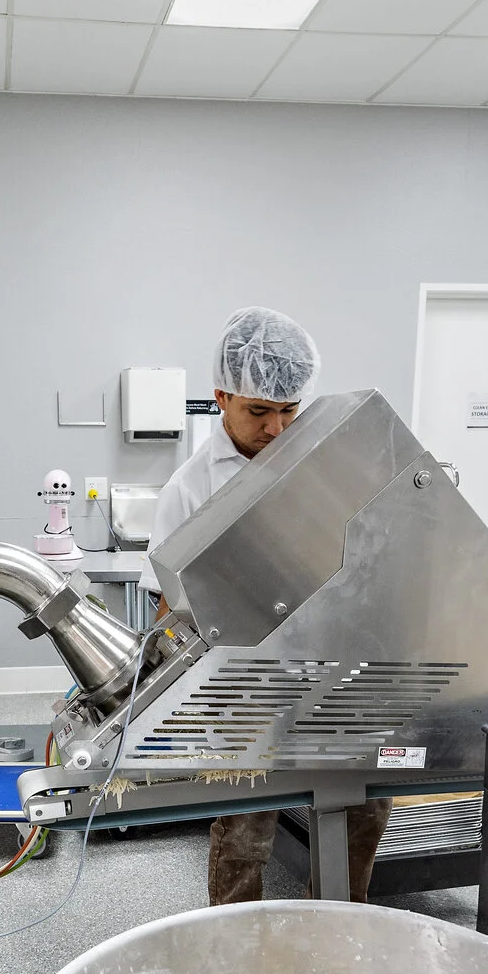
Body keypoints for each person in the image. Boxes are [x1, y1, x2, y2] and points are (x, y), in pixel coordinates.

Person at [147, 306, 391, 905]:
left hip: (333, 667)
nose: (277, 429)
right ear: (221, 397)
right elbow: (171, 608)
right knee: (244, 828)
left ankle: (338, 928)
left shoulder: (323, 462)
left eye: (289, 410)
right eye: (259, 411)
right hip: (246, 679)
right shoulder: (191, 488)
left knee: (363, 811)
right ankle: (235, 949)